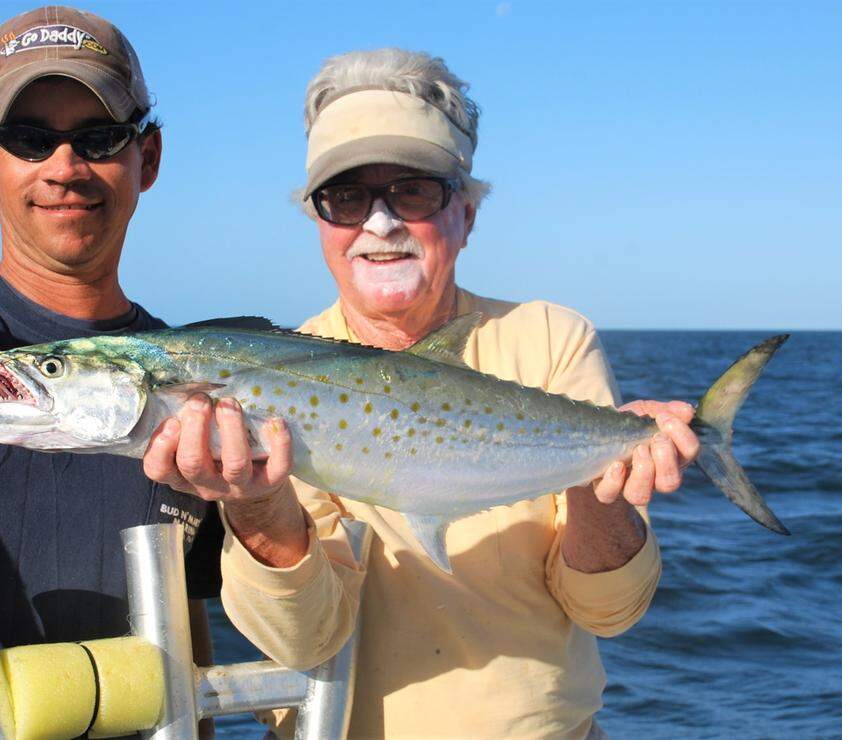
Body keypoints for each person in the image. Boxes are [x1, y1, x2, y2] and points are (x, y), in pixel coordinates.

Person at [143, 48, 701, 738]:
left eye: (414, 192)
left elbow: (609, 610)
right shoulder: (275, 378)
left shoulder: (549, 337)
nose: (380, 224)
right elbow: (306, 639)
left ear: (467, 213)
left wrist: (599, 478)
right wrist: (259, 504)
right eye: (346, 198)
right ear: (318, 223)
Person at [0, 7, 288, 736]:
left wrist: (260, 515)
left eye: (98, 139)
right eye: (29, 139)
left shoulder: (210, 401)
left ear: (147, 159)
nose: (64, 168)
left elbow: (206, 637)